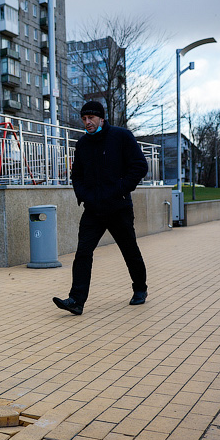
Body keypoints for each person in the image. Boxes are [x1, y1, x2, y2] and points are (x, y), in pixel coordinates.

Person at [53, 101, 148, 316]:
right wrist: (85, 196)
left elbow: (140, 166)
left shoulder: (121, 137)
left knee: (129, 250)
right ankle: (76, 300)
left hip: (119, 207)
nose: (87, 122)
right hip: (93, 210)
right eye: (84, 119)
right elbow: (76, 175)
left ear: (102, 119)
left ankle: (140, 288)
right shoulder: (82, 144)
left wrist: (119, 189)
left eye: (91, 118)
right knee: (83, 253)